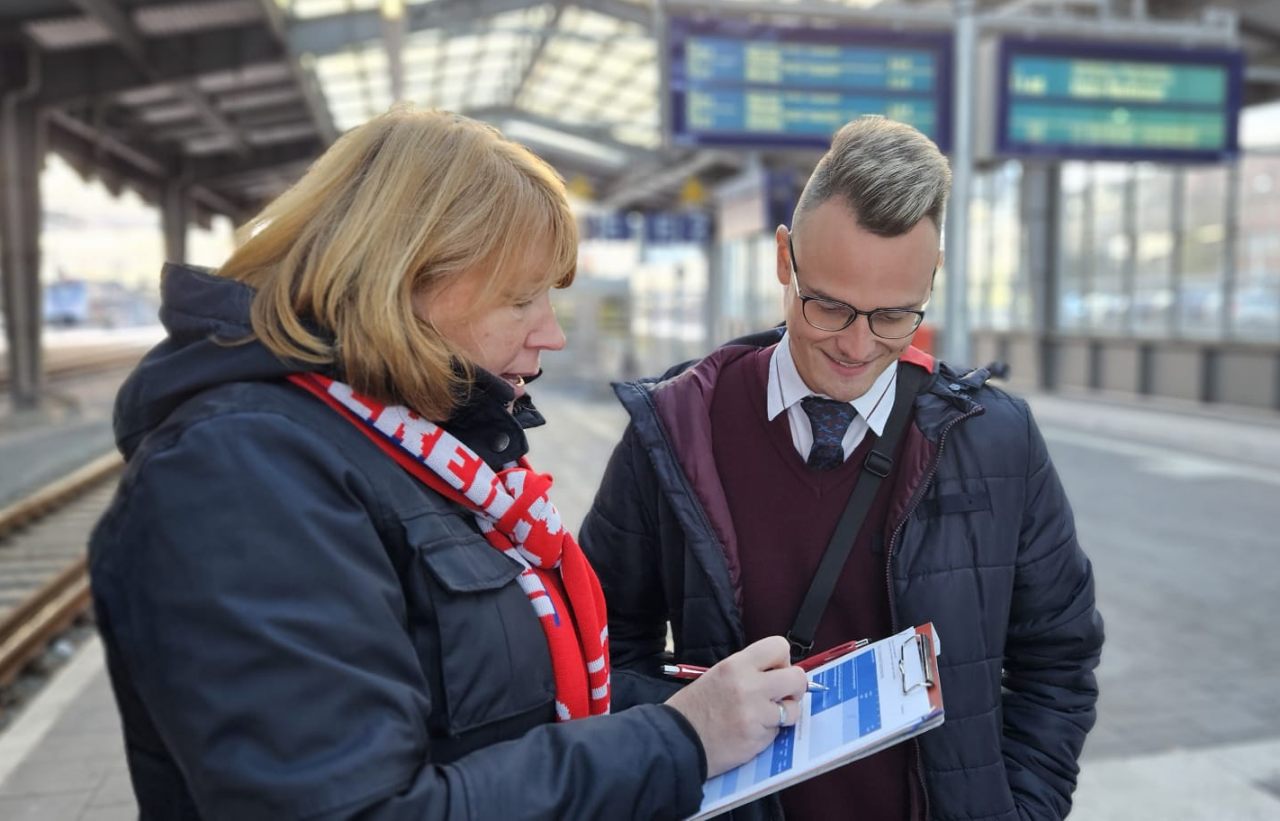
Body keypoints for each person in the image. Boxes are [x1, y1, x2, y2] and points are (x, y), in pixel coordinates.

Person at [88, 105, 810, 820]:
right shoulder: (241, 477)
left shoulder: (409, 449)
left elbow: (505, 707)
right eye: (521, 299)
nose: (552, 334)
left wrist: (700, 706)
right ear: (405, 282)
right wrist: (678, 741)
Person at [579, 115, 1105, 821]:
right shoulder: (675, 430)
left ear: (931, 279)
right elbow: (599, 651)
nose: (857, 347)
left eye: (894, 316)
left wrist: (1024, 811)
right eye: (828, 306)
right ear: (783, 259)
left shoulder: (997, 442)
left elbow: (1057, 658)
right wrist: (689, 731)